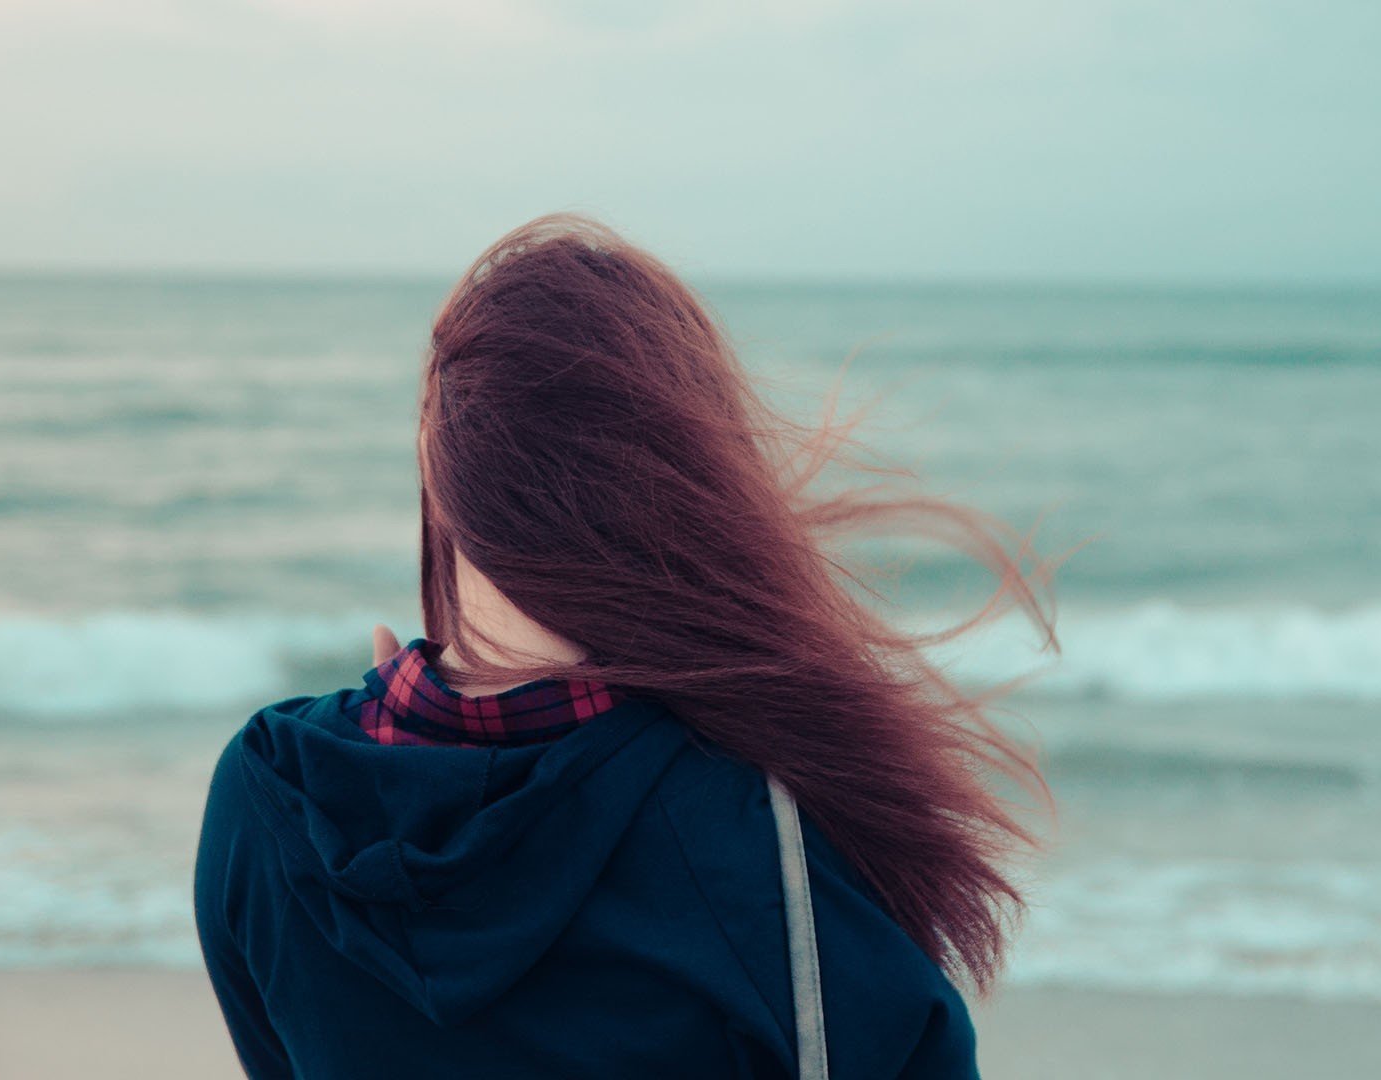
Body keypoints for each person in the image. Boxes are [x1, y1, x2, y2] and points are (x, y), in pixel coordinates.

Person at [192, 214, 1065, 1078]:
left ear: (441, 470)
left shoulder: (270, 804)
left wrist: (405, 765)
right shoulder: (766, 848)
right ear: (695, 481)